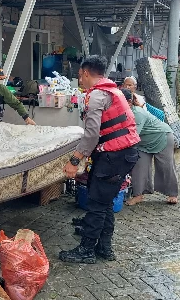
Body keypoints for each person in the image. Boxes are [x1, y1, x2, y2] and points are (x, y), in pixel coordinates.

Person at [60, 55, 140, 264]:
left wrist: (75, 160)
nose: (80, 80)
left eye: (79, 76)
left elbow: (91, 134)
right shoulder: (112, 90)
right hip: (124, 153)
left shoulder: (96, 96)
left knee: (96, 203)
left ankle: (87, 250)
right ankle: (104, 248)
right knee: (104, 202)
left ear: (86, 73)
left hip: (114, 156)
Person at [121, 89, 179, 206]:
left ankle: (172, 194)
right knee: (139, 166)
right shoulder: (122, 113)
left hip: (162, 137)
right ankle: (138, 195)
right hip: (143, 142)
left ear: (128, 102)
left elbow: (133, 135)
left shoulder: (137, 113)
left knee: (166, 166)